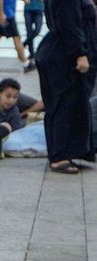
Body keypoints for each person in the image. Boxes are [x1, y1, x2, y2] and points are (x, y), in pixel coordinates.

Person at [36, 0, 97, 174]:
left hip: (55, 52)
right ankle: (59, 156)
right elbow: (69, 21)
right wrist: (80, 53)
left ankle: (60, 152)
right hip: (64, 56)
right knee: (66, 104)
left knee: (62, 104)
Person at [0, 0, 34, 72]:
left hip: (7, 13)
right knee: (17, 38)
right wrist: (1, 14)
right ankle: (26, 63)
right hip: (7, 14)